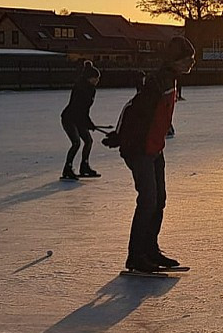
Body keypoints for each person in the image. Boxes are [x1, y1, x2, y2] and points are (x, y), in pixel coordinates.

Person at [109, 37, 196, 273]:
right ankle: (136, 256)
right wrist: (118, 136)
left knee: (159, 200)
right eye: (187, 59)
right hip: (139, 150)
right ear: (175, 60)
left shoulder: (170, 80)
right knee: (148, 201)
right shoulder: (158, 82)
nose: (191, 63)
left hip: (155, 149)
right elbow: (131, 109)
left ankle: (150, 250)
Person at [61, 61, 103, 181]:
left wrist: (88, 123)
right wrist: (88, 123)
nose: (97, 80)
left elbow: (85, 110)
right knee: (76, 143)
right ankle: (67, 169)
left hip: (79, 119)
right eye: (96, 78)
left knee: (88, 141)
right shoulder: (80, 88)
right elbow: (78, 109)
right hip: (69, 118)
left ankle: (84, 166)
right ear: (89, 78)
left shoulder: (91, 90)